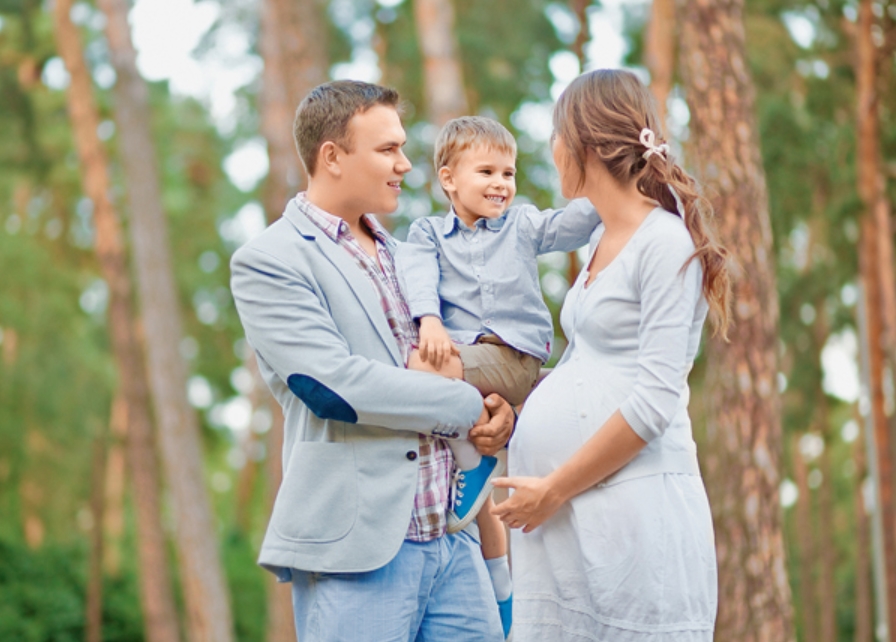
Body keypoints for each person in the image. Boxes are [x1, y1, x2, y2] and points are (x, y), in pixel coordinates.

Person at [230, 80, 514, 642]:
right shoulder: (268, 260)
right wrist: (467, 402)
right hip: (359, 553)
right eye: (388, 150)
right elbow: (332, 385)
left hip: (453, 543)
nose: (407, 164)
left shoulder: (415, 256)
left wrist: (500, 408)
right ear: (331, 156)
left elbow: (462, 355)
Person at [491, 69, 731, 642]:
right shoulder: (601, 241)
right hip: (574, 521)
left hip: (633, 517)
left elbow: (652, 403)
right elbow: (585, 370)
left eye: (556, 131)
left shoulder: (666, 243)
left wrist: (554, 487)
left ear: (589, 143)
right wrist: (516, 409)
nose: (550, 147)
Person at [396, 115, 599, 638]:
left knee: (424, 366)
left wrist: (616, 177)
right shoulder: (426, 233)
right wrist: (431, 319)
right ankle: (504, 598)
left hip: (513, 358)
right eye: (486, 171)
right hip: (469, 359)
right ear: (448, 179)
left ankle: (473, 457)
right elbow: (416, 272)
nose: (500, 184)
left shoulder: (522, 224)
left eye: (508, 173)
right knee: (478, 510)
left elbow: (572, 223)